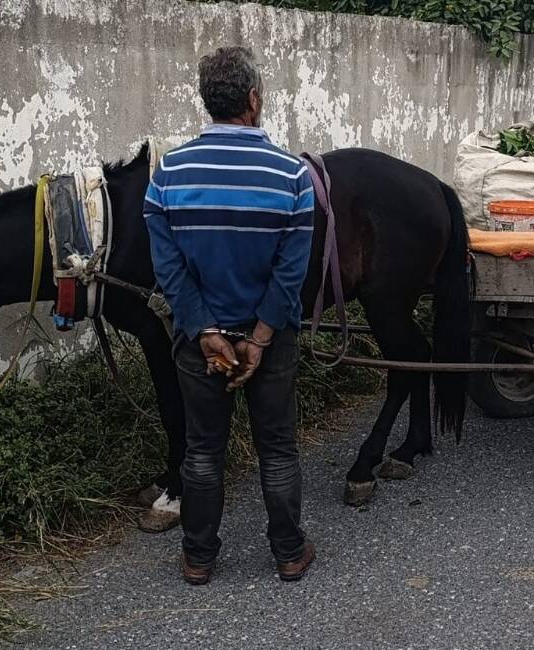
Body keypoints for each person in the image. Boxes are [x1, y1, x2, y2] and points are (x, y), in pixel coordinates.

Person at [143, 46, 316, 585]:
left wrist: (206, 332)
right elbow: (292, 273)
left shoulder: (168, 172)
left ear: (207, 101)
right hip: (270, 340)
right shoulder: (293, 175)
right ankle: (289, 552)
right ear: (254, 99)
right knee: (278, 448)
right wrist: (260, 338)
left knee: (202, 450)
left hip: (200, 343)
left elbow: (167, 268)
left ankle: (199, 558)